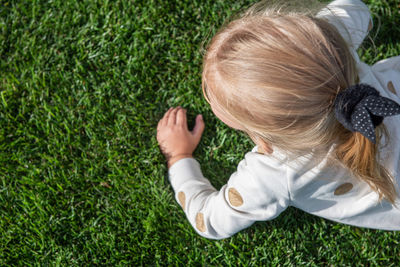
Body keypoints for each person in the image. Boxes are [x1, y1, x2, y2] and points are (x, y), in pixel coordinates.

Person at [156, 0, 400, 239]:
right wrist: (318, 29)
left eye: (213, 97)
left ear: (257, 127)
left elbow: (208, 219)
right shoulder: (331, 44)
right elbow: (358, 9)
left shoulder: (275, 172)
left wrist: (179, 157)